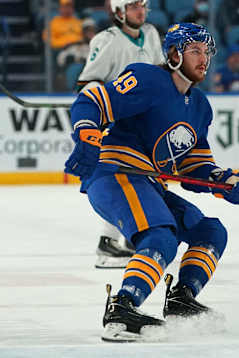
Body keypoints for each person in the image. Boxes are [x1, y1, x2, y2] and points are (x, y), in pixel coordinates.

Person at [64, 22, 239, 342]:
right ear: (173, 54)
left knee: (210, 231)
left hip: (149, 184)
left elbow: (194, 166)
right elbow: (93, 101)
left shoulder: (199, 106)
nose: (204, 59)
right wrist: (87, 135)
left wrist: (227, 182)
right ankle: (122, 308)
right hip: (116, 175)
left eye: (207, 52)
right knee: (161, 237)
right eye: (194, 51)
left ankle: (181, 300)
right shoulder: (148, 78)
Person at [75, 0, 165, 269]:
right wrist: (106, 103)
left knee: (145, 179)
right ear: (118, 12)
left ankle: (127, 239)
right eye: (134, 6)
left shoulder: (150, 34)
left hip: (146, 122)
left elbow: (160, 72)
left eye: (143, 6)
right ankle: (108, 242)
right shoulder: (107, 40)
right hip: (119, 124)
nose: (141, 11)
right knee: (122, 180)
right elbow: (87, 82)